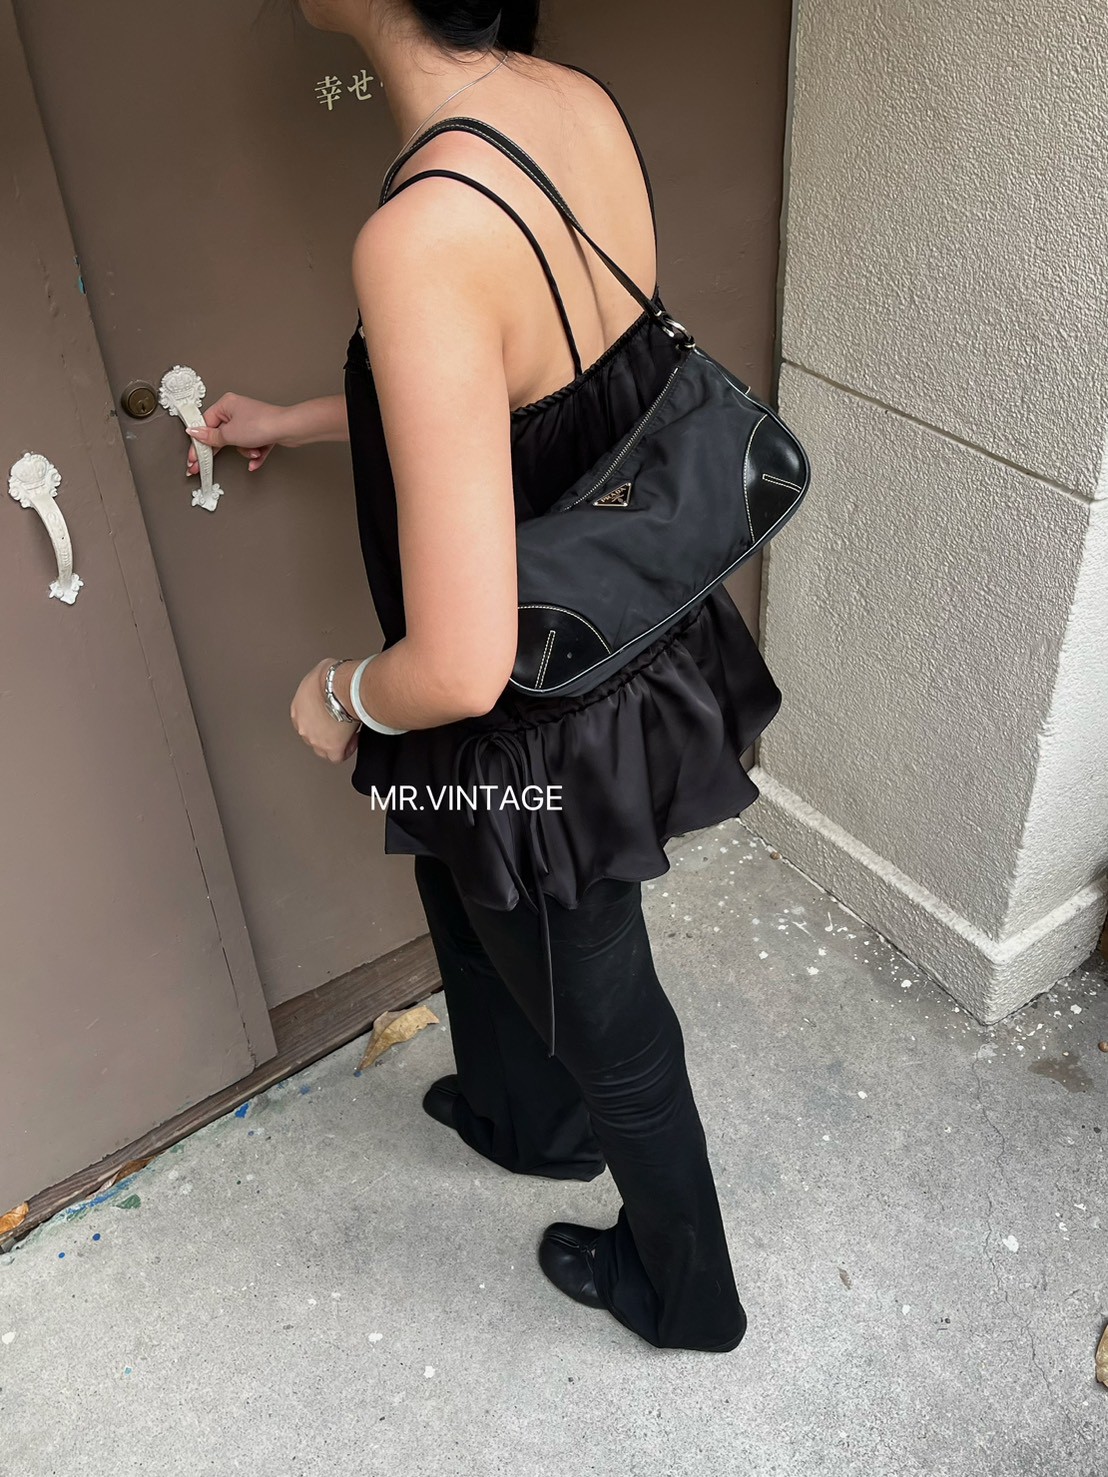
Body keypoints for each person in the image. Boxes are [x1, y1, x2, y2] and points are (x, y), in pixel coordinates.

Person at [186, 0, 782, 1353]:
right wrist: (298, 418)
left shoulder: (421, 233)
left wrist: (339, 697)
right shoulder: (571, 102)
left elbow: (456, 668)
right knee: (469, 899)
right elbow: (529, 397)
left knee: (603, 1001)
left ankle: (689, 1292)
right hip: (605, 643)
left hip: (525, 725)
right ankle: (527, 1119)